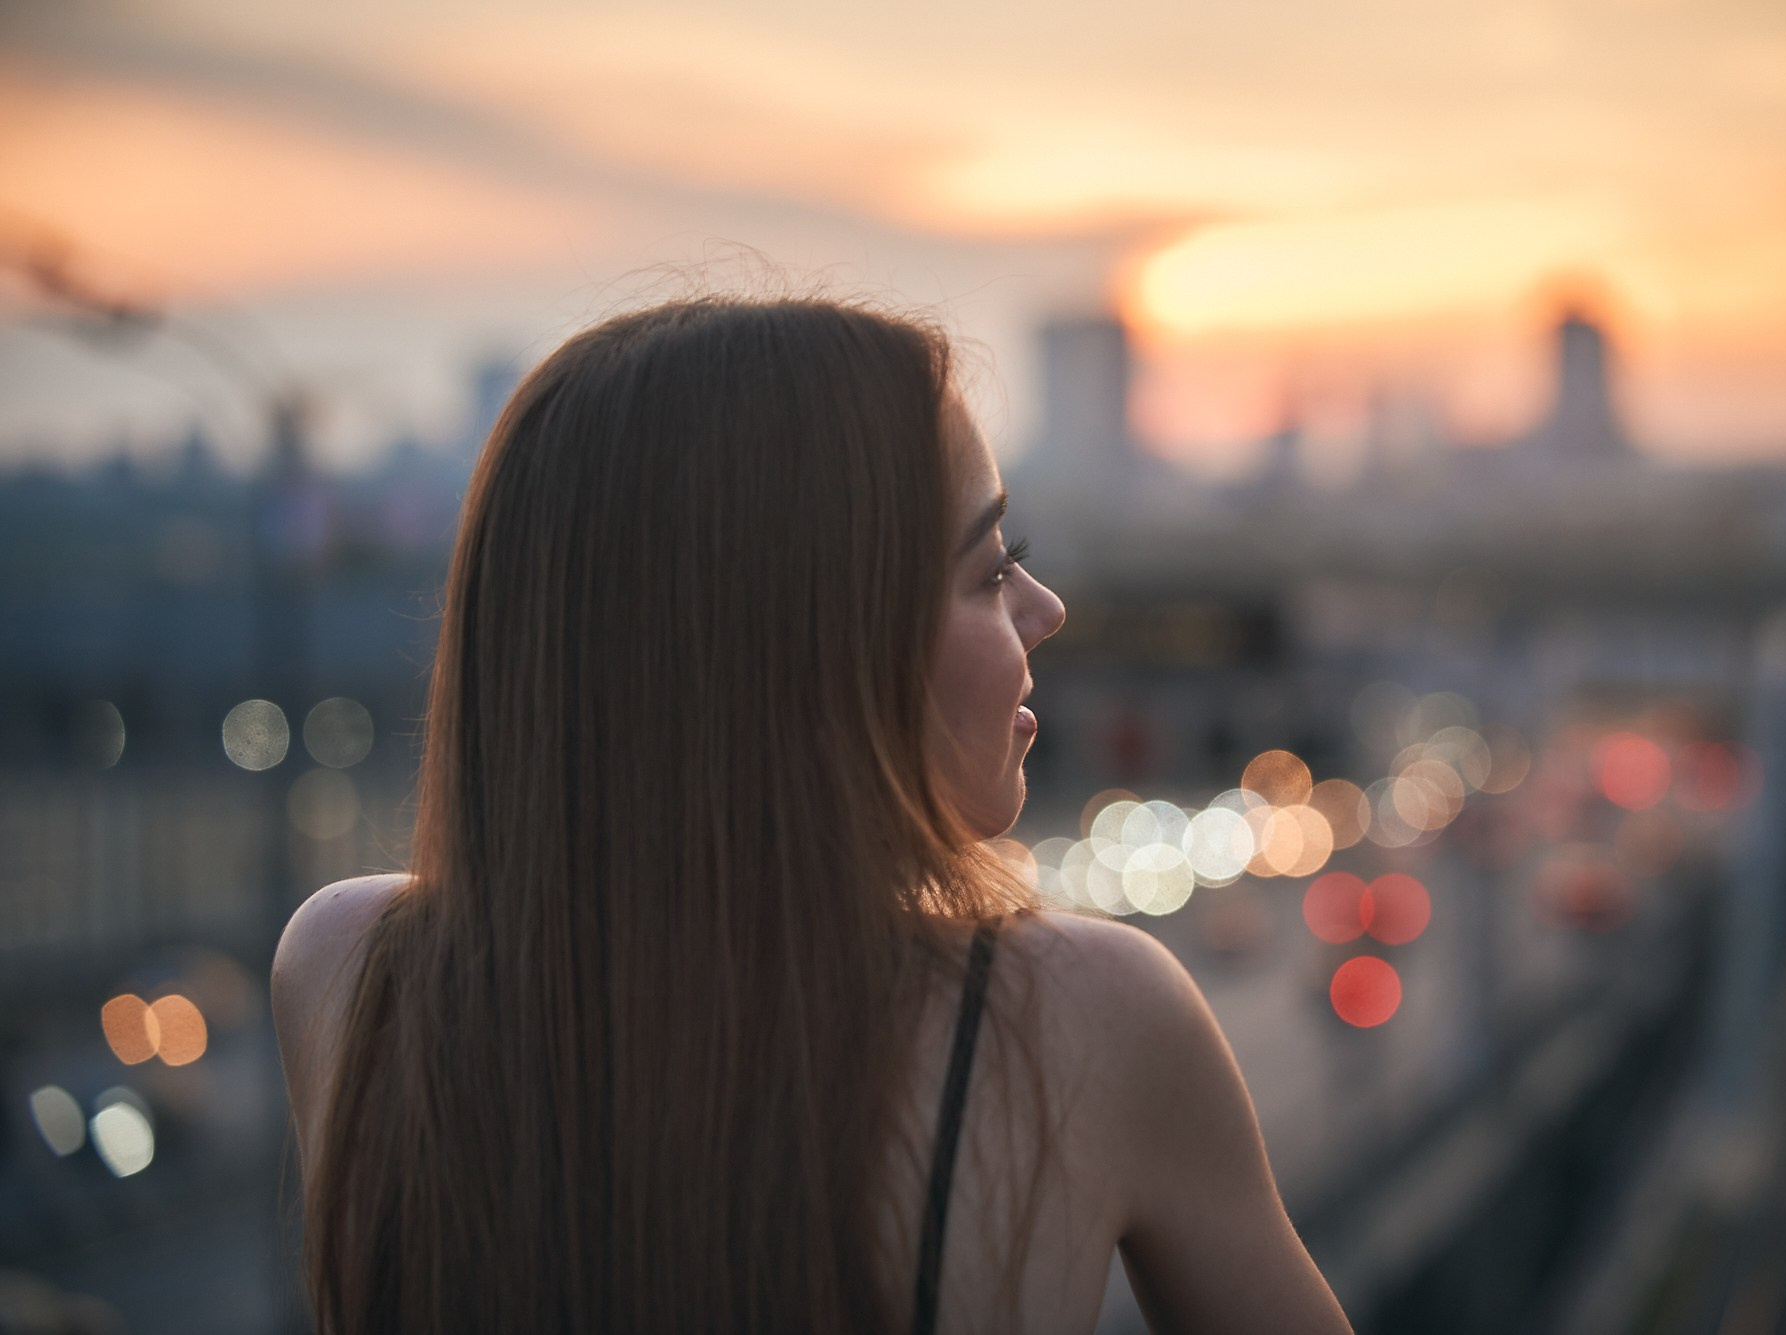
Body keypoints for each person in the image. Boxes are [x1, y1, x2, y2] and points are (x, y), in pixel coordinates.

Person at [271, 296, 1351, 1334]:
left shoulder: (348, 970)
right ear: (813, 652)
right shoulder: (1084, 1020)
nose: (1044, 610)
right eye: (986, 572)